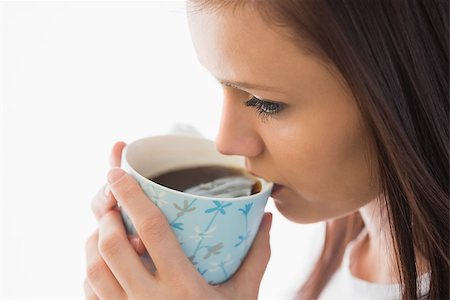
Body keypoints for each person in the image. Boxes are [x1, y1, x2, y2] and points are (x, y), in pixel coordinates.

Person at [84, 0, 449, 299]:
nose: (225, 144)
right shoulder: (342, 247)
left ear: (402, 86)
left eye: (266, 103)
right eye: (222, 87)